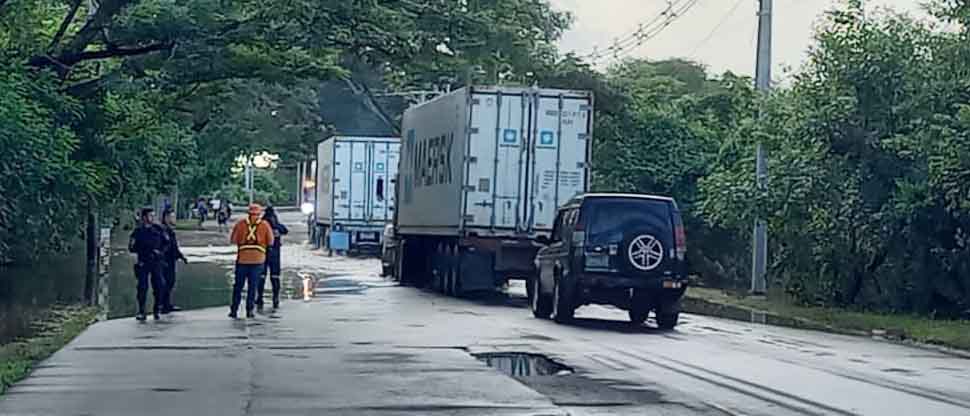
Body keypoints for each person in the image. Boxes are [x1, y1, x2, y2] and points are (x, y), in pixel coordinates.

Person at [229, 203, 274, 319]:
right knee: (252, 287)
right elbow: (270, 242)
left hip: (242, 259)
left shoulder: (240, 224)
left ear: (248, 213)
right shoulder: (265, 225)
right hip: (258, 260)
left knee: (238, 286)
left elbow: (233, 240)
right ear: (259, 214)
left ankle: (234, 310)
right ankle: (250, 311)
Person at [128, 207, 169, 321]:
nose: (152, 218)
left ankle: (157, 309)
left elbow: (167, 243)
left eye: (153, 216)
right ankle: (141, 311)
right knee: (142, 287)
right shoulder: (138, 231)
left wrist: (160, 252)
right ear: (144, 217)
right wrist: (143, 249)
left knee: (159, 285)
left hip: (156, 262)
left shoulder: (158, 229)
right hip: (143, 262)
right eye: (150, 216)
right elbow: (131, 247)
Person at [257, 206, 289, 312]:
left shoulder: (261, 225)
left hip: (262, 253)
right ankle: (275, 298)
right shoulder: (277, 226)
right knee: (275, 276)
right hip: (275, 254)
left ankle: (259, 298)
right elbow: (285, 230)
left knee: (261, 276)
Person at [161, 209, 188, 313]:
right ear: (166, 218)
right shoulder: (162, 230)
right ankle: (162, 305)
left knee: (170, 282)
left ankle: (166, 304)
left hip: (171, 260)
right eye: (171, 217)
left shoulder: (170, 230)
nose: (173, 219)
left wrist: (181, 256)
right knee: (166, 282)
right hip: (165, 261)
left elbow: (174, 246)